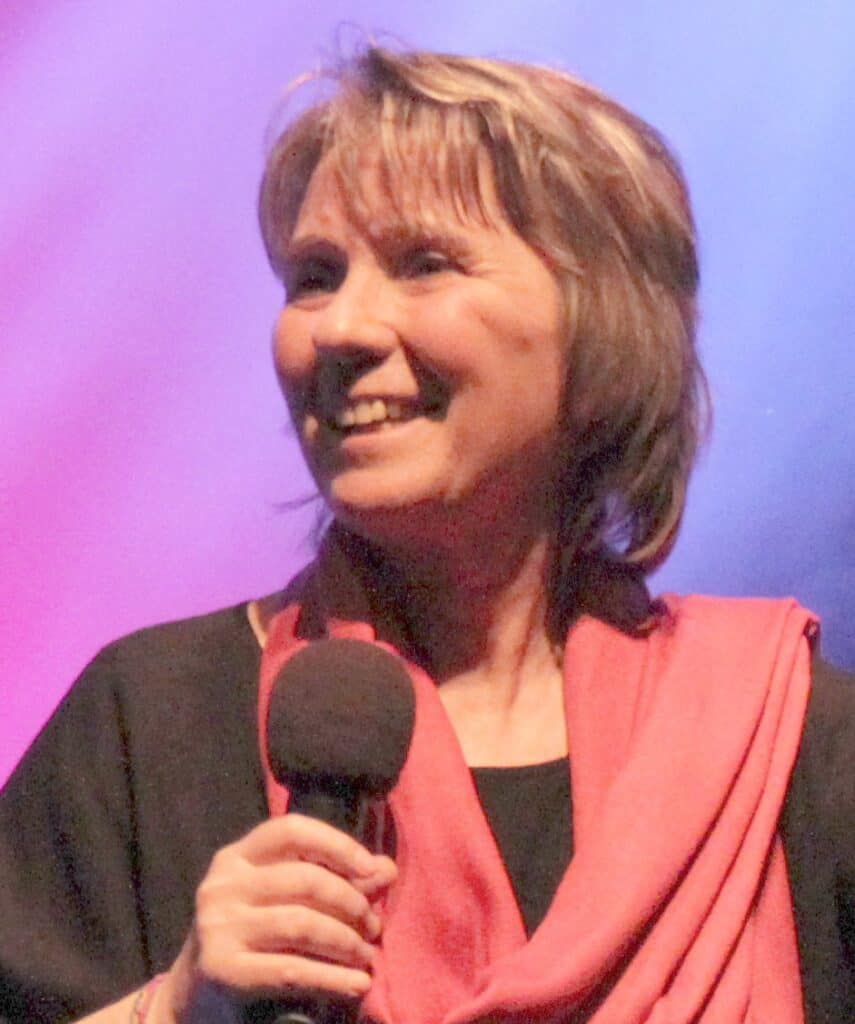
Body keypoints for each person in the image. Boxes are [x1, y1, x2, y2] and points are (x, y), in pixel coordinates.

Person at [1, 45, 853, 1024]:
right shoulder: (146, 722)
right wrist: (174, 1006)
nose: (341, 328)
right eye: (316, 276)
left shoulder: (781, 743)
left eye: (424, 264)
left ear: (602, 332)